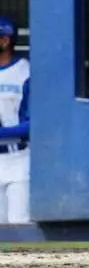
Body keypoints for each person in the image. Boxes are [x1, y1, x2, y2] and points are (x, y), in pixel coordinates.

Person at [0, 16, 30, 224]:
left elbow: (36, 123)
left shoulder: (25, 71)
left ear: (5, 40)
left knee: (19, 226)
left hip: (18, 158)